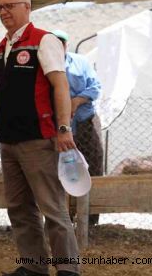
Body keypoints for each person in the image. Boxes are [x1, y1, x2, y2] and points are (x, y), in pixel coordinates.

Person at [0, 0, 80, 276]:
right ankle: (33, 267)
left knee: (53, 209)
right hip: (9, 142)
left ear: (27, 7)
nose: (3, 12)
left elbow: (60, 85)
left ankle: (68, 269)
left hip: (40, 139)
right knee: (19, 209)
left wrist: (64, 128)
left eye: (9, 6)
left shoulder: (44, 40)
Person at [53, 29, 103, 225]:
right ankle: (64, 215)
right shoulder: (44, 66)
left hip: (84, 120)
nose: (58, 47)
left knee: (93, 163)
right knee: (62, 166)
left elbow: (95, 86)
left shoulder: (80, 62)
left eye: (61, 43)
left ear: (66, 45)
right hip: (58, 125)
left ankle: (92, 218)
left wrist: (77, 101)